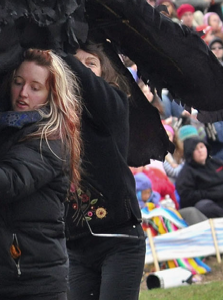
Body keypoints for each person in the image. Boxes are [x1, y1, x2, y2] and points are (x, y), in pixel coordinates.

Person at [0, 49, 82, 300]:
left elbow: (5, 183)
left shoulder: (49, 139)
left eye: (35, 87)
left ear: (51, 95)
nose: (23, 94)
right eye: (18, 83)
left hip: (33, 282)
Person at [65, 46, 144, 300]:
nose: (84, 69)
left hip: (119, 238)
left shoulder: (115, 103)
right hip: (75, 245)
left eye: (91, 63)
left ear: (103, 71)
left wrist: (62, 54)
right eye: (78, 63)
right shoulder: (53, 115)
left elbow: (92, 90)